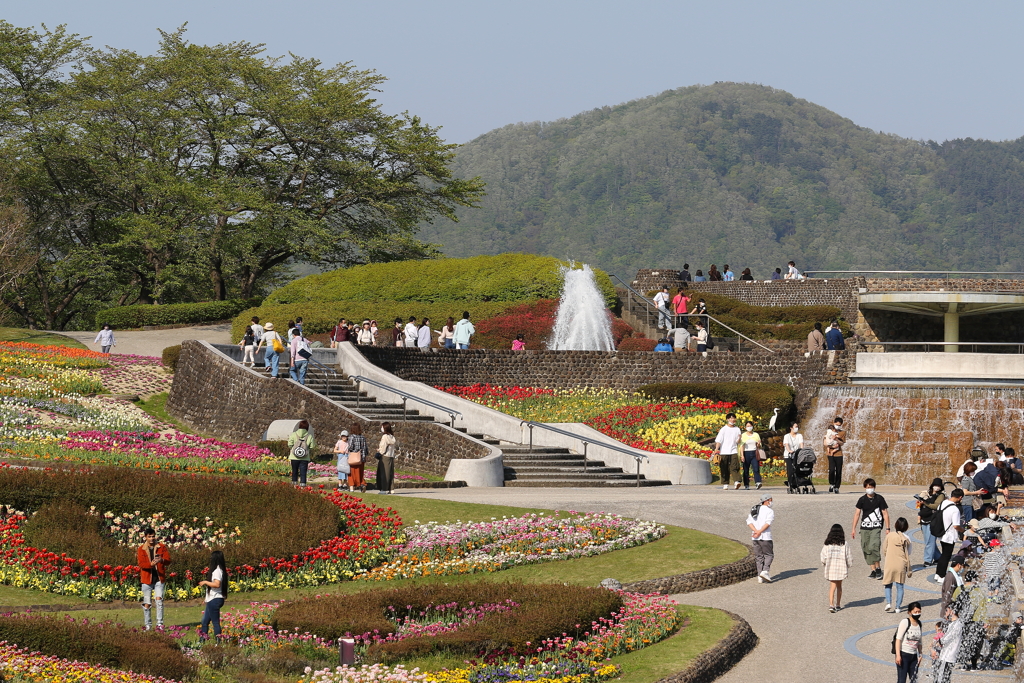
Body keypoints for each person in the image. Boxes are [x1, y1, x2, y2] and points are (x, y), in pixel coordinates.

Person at [851, 478, 890, 579]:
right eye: (868, 487)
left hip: (876, 527)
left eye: (871, 487)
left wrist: (887, 528)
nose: (870, 489)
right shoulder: (862, 500)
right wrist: (853, 529)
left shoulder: (879, 499)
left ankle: (878, 568)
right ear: (865, 488)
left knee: (874, 546)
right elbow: (857, 514)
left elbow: (885, 513)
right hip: (865, 527)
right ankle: (872, 569)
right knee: (866, 548)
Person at [950, 570, 986, 670]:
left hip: (962, 620)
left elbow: (953, 603)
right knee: (975, 642)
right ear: (975, 579)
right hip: (976, 620)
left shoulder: (959, 589)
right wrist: (985, 621)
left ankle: (964, 664)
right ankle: (974, 665)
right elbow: (983, 607)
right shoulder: (978, 591)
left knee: (963, 641)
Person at [137, 527, 170, 631]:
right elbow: (141, 564)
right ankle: (148, 624)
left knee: (159, 600)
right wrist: (151, 564)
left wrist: (162, 560)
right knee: (147, 603)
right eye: (149, 536)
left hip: (159, 578)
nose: (152, 538)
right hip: (147, 579)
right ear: (145, 537)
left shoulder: (161, 547)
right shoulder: (141, 549)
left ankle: (160, 624)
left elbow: (168, 560)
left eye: (153, 536)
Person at [882, 517, 913, 613]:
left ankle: (888, 602)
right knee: (900, 586)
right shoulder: (907, 538)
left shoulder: (889, 535)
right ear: (906, 527)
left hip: (890, 562)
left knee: (888, 584)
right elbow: (909, 552)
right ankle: (898, 607)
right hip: (901, 564)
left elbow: (884, 549)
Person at [820, 523, 852, 613]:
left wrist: (824, 563)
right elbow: (848, 556)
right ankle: (838, 604)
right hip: (841, 568)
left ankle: (831, 605)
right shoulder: (844, 544)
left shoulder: (827, 544)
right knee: (839, 586)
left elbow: (823, 556)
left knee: (832, 586)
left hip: (831, 568)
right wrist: (849, 564)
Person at [934, 489, 964, 580]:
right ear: (960, 497)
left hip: (941, 533)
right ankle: (941, 576)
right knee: (946, 556)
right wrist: (962, 530)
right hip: (949, 535)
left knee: (944, 555)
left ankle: (937, 574)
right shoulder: (955, 509)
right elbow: (956, 526)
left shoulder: (943, 503)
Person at [198, 550, 228, 641]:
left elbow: (217, 584)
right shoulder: (220, 570)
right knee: (205, 621)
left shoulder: (217, 571)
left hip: (215, 599)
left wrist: (205, 582)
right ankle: (202, 640)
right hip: (213, 599)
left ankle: (218, 641)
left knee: (215, 622)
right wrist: (207, 598)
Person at [917, 478, 946, 567]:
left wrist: (925, 503)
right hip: (924, 519)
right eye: (935, 485)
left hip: (933, 519)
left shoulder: (940, 495)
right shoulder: (927, 493)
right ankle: (938, 557)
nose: (936, 487)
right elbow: (919, 507)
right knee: (928, 541)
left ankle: (927, 560)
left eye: (938, 486)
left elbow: (935, 506)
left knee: (930, 541)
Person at [746, 494, 774, 583]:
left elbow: (749, 522)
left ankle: (759, 576)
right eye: (771, 500)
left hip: (755, 537)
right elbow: (767, 523)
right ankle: (765, 571)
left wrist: (755, 531)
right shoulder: (769, 511)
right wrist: (760, 531)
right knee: (769, 555)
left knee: (759, 556)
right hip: (765, 537)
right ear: (767, 500)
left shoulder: (754, 509)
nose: (771, 502)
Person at [893, 602, 924, 683]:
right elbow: (898, 639)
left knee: (914, 680)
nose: (917, 614)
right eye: (915, 612)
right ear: (909, 612)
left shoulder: (919, 624)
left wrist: (920, 654)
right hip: (904, 654)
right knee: (902, 680)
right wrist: (898, 655)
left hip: (914, 656)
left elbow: (919, 641)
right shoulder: (905, 622)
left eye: (919, 611)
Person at [713, 413, 742, 490]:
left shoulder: (737, 429)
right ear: (727, 419)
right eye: (731, 418)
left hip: (734, 451)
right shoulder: (723, 429)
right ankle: (725, 484)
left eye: (734, 418)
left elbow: (738, 442)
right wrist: (716, 449)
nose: (733, 420)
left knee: (735, 466)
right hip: (724, 451)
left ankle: (736, 482)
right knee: (724, 467)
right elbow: (719, 440)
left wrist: (739, 438)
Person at [287, 420, 315, 486]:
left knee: (294, 471)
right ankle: (303, 486)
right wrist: (307, 449)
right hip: (304, 457)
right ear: (307, 427)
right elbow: (312, 446)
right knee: (303, 472)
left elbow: (289, 444)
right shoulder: (309, 436)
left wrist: (293, 448)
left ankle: (294, 485)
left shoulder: (294, 434)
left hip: (294, 457)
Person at [824, 416, 846, 494]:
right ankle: (832, 483)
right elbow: (825, 442)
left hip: (839, 454)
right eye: (836, 424)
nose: (838, 426)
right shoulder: (829, 431)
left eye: (839, 425)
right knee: (832, 470)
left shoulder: (842, 432)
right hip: (830, 453)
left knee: (839, 470)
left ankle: (837, 486)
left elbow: (842, 443)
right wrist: (831, 447)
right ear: (834, 423)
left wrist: (836, 439)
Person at [740, 421, 763, 490]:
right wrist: (742, 455)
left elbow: (759, 446)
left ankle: (758, 482)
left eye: (750, 426)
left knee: (756, 469)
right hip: (746, 453)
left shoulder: (756, 435)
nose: (749, 427)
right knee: (746, 470)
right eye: (747, 426)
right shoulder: (743, 435)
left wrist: (758, 444)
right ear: (745, 427)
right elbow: (741, 446)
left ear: (752, 426)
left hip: (754, 453)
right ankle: (746, 484)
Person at [375, 422, 397, 494]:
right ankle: (391, 488)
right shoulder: (392, 437)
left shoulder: (385, 437)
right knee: (390, 472)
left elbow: (383, 447)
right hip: (391, 456)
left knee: (384, 473)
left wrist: (379, 451)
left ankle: (384, 489)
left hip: (385, 456)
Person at [347, 423, 368, 492]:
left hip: (354, 457)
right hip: (362, 458)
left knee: (351, 473)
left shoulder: (352, 437)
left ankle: (352, 487)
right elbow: (366, 448)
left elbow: (350, 447)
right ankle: (362, 484)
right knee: (360, 473)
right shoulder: (363, 437)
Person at [782, 422, 804, 492]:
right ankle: (790, 483)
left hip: (796, 455)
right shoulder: (786, 436)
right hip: (788, 455)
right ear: (791, 428)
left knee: (797, 469)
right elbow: (786, 444)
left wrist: (801, 451)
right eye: (795, 427)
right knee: (791, 469)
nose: (796, 428)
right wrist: (789, 450)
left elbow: (801, 444)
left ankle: (796, 482)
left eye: (797, 426)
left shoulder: (799, 435)